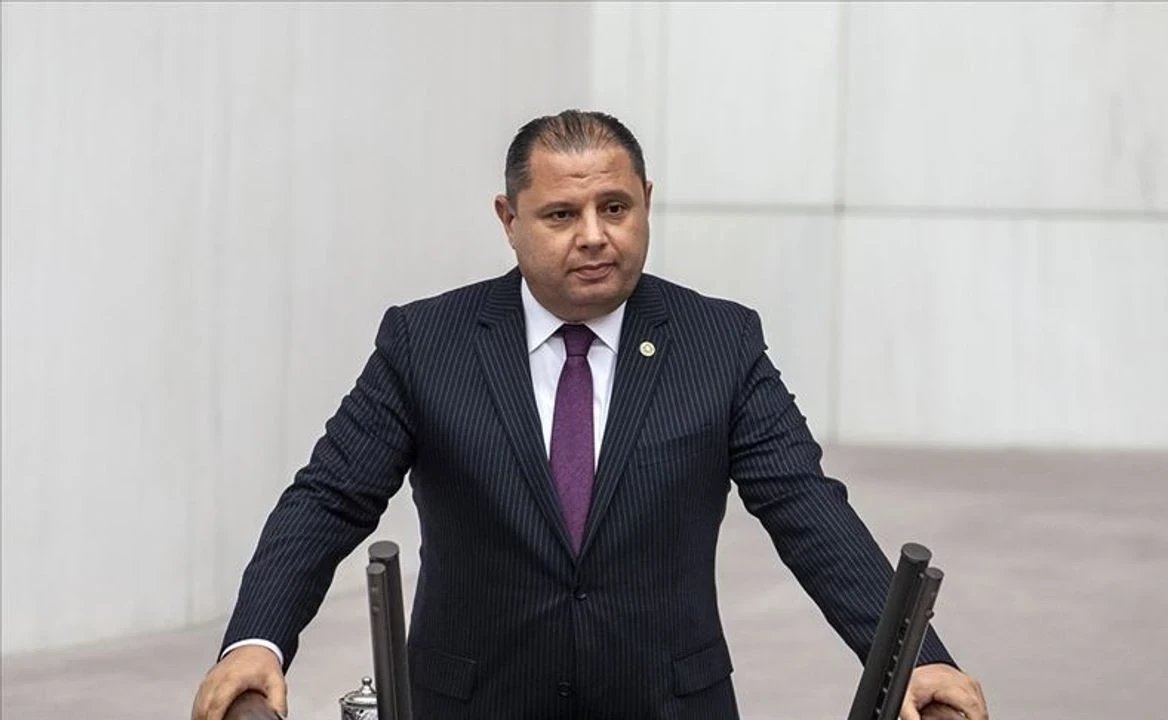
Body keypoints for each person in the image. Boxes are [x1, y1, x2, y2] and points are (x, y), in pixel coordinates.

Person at [191, 109, 989, 720]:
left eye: (615, 207)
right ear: (508, 219)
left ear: (648, 203)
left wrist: (914, 661)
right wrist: (258, 640)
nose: (595, 237)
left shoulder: (720, 342)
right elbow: (329, 498)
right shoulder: (425, 343)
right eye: (561, 215)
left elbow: (807, 508)